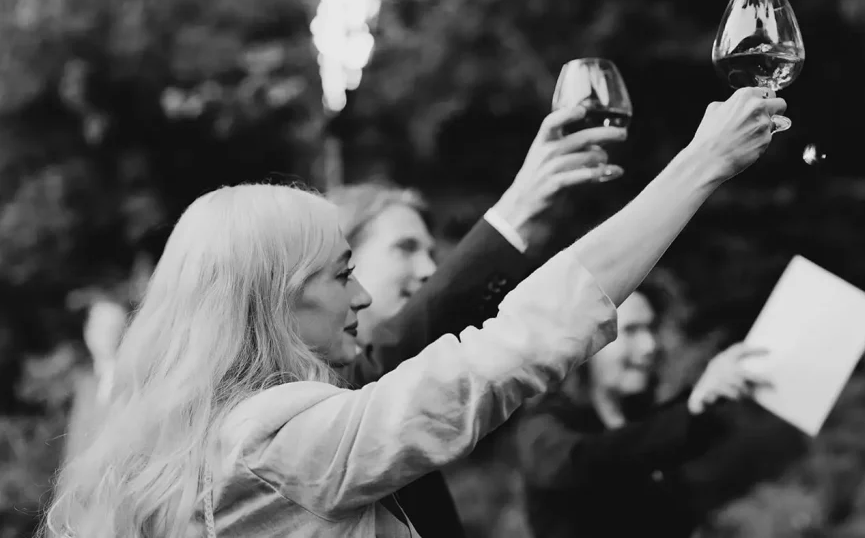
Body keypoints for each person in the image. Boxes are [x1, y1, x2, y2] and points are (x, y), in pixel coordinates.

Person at [42, 87, 786, 538]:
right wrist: (700, 166)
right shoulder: (275, 445)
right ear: (273, 297)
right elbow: (516, 348)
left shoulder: (198, 444)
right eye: (341, 274)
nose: (364, 295)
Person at [327, 105, 627, 537]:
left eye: (431, 253)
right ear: (343, 257)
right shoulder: (323, 391)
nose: (429, 269)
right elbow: (402, 342)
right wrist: (520, 205)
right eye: (405, 248)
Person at [516, 276, 802, 538]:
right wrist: (691, 409)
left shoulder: (640, 420)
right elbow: (588, 461)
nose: (650, 345)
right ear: (583, 344)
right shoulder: (543, 428)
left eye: (651, 328)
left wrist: (714, 397)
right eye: (630, 331)